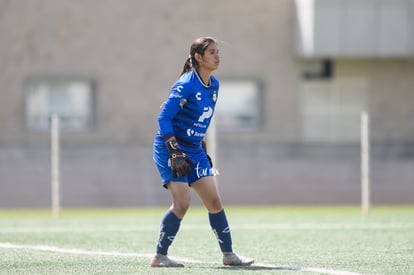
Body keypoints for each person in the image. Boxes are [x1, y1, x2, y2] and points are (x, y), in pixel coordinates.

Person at [151, 37, 254, 268]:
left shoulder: (214, 85)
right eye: (212, 52)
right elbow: (164, 118)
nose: (218, 56)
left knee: (214, 201)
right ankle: (160, 256)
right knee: (182, 203)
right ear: (198, 57)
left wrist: (202, 144)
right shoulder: (186, 84)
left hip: (194, 149)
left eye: (218, 52)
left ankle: (229, 255)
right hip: (170, 148)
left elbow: (200, 119)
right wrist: (174, 151)